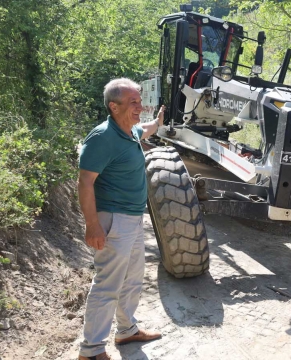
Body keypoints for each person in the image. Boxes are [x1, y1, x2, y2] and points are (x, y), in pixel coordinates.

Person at [77, 78, 166, 360]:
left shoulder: (128, 131)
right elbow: (85, 182)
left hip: (132, 219)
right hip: (113, 220)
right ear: (114, 106)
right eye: (133, 102)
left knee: (132, 278)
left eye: (140, 101)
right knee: (108, 285)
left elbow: (146, 130)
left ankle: (127, 330)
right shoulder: (102, 137)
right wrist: (92, 225)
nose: (140, 106)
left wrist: (159, 121)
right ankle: (91, 350)